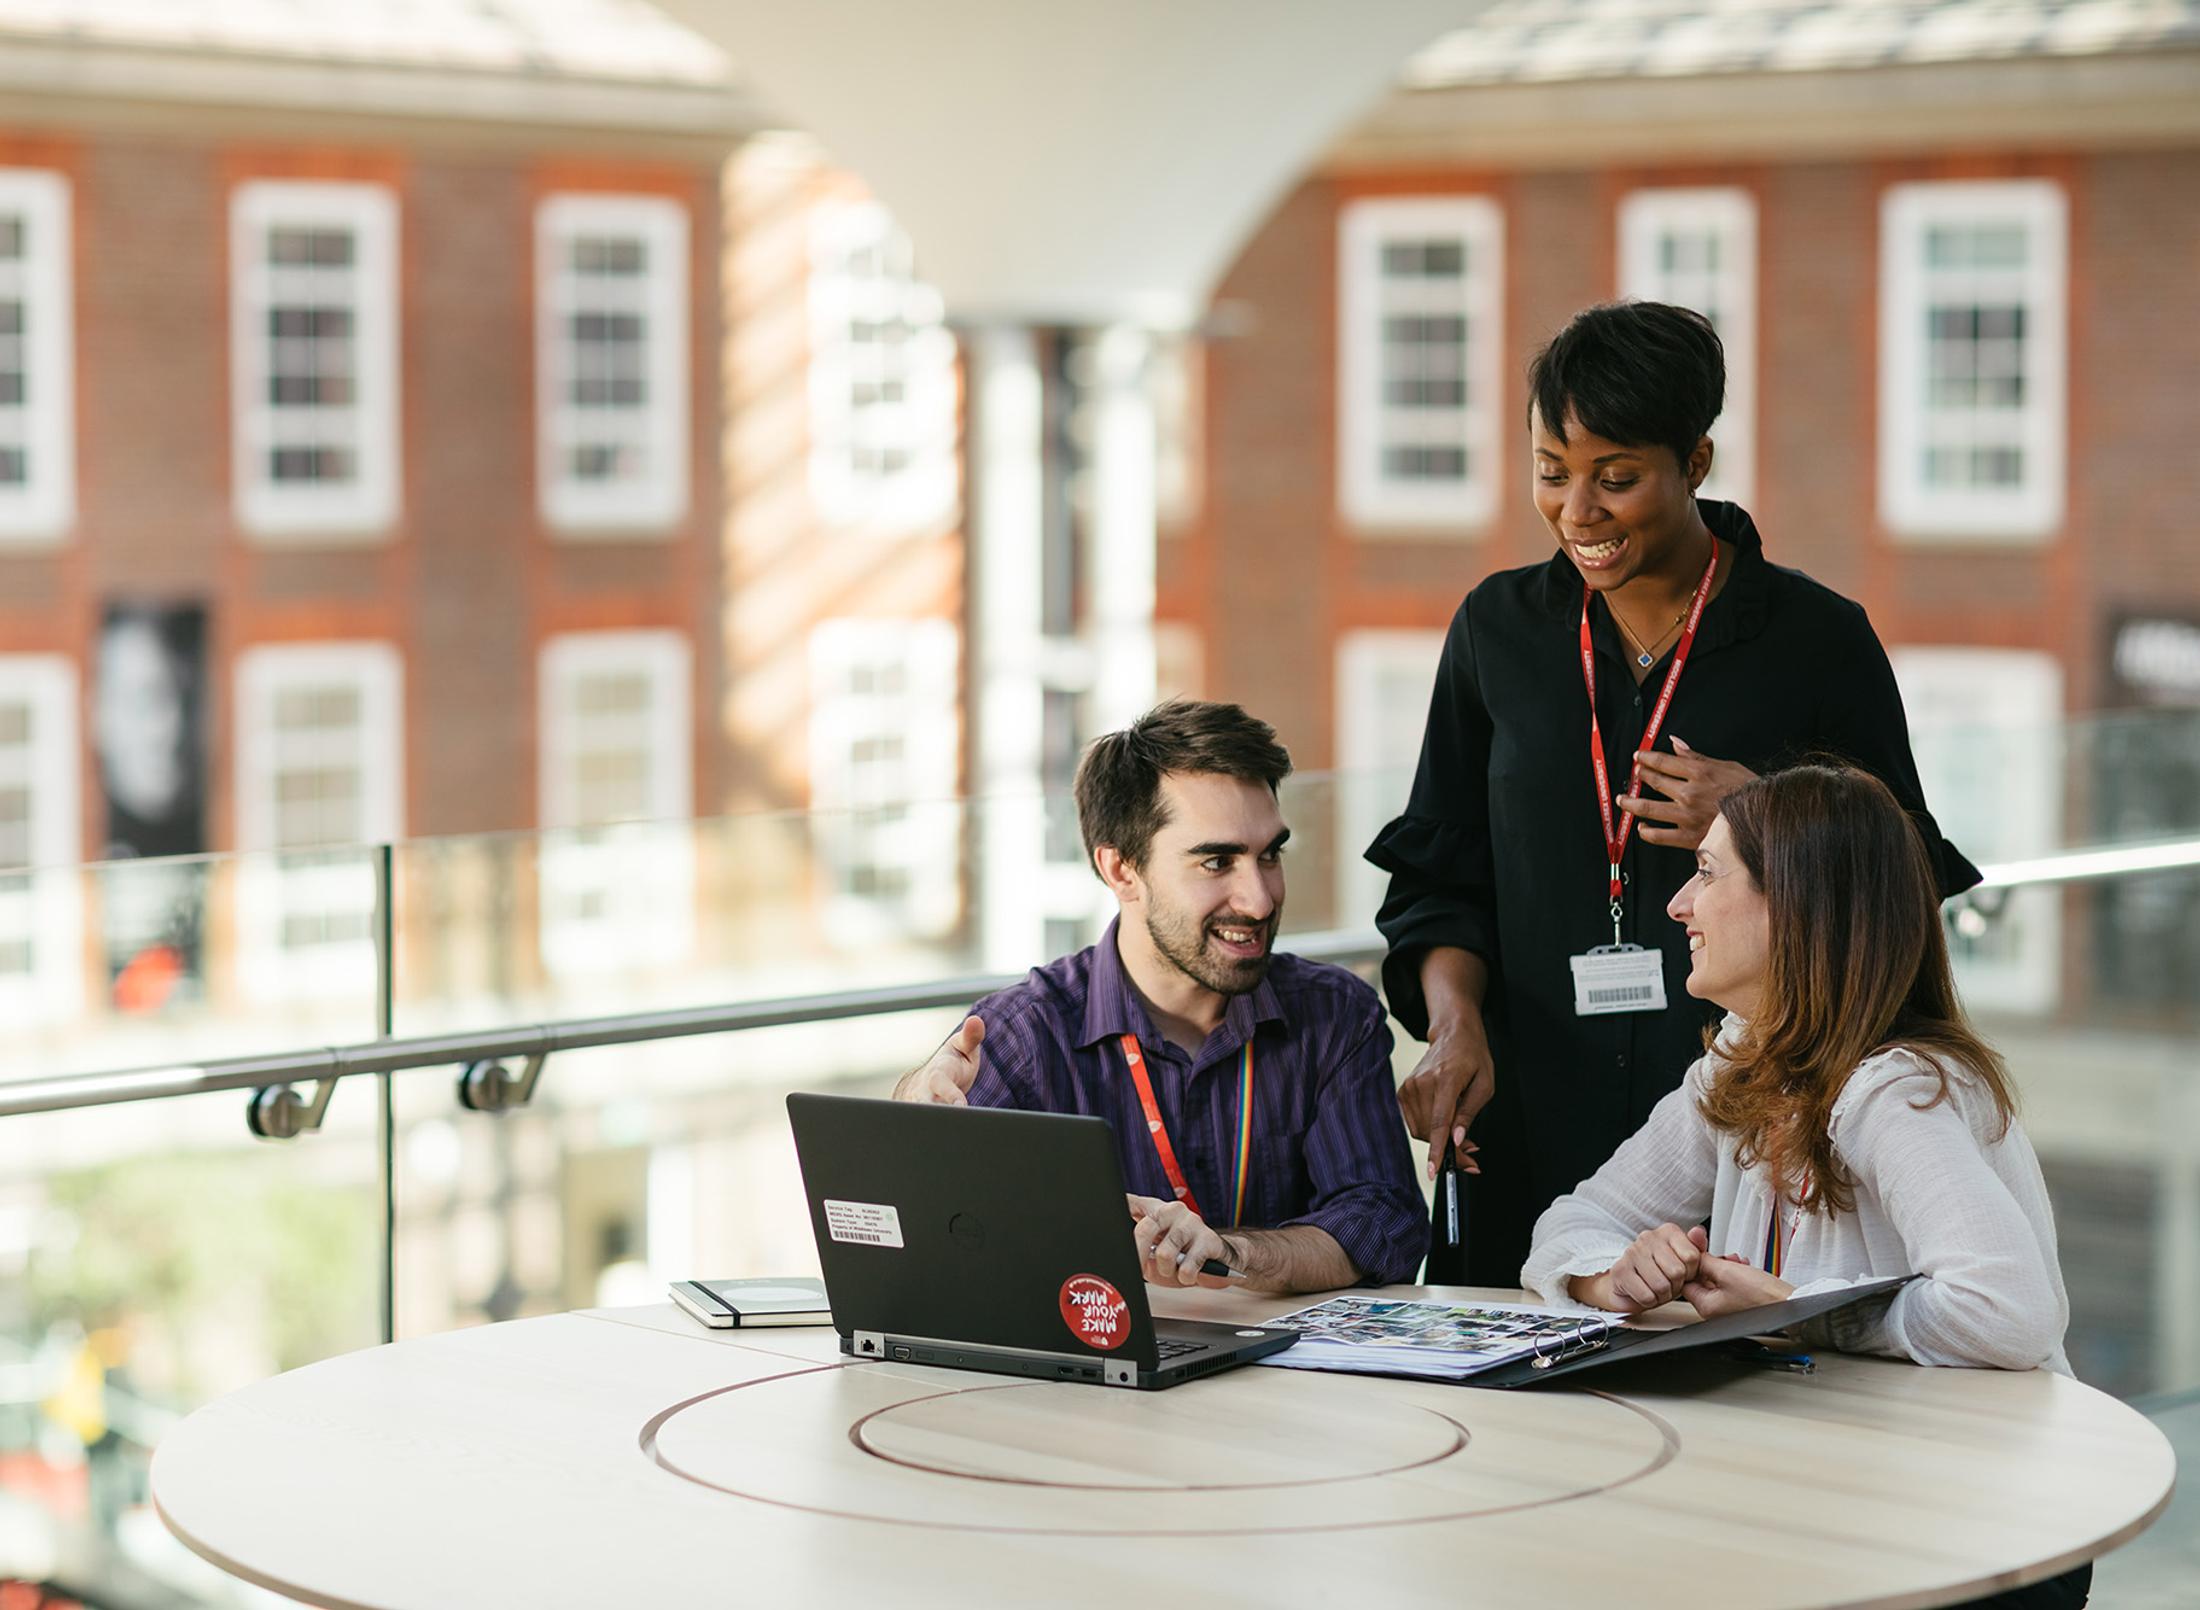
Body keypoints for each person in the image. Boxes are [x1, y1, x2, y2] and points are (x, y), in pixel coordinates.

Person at [1367, 300, 1978, 1285]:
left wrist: (1763, 808)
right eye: (1549, 472)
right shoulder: (1497, 633)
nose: (1577, 511)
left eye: (1616, 479)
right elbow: (1441, 874)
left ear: (1694, 463)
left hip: (1739, 1139)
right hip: (1529, 1124)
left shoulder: (1819, 641)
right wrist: (1453, 1024)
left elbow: (1903, 879)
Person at [1522, 763, 2083, 1609]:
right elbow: (1577, 1219)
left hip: (1981, 1530)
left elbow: (2009, 1311)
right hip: (1858, 1496)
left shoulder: (1894, 1088)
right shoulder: (1740, 1064)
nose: (1678, 905)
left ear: (1798, 906)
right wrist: (1610, 1275)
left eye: (1707, 875)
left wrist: (1796, 1306)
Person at [896, 699, 1425, 1295]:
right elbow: (934, 1237)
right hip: (1095, 1378)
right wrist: (912, 1111)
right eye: (1217, 862)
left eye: (1270, 854)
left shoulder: (1334, 1013)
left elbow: (1384, 1223)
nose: (1259, 900)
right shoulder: (1022, 1036)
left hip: (1289, 1376)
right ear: (1122, 870)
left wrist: (1235, 1252)